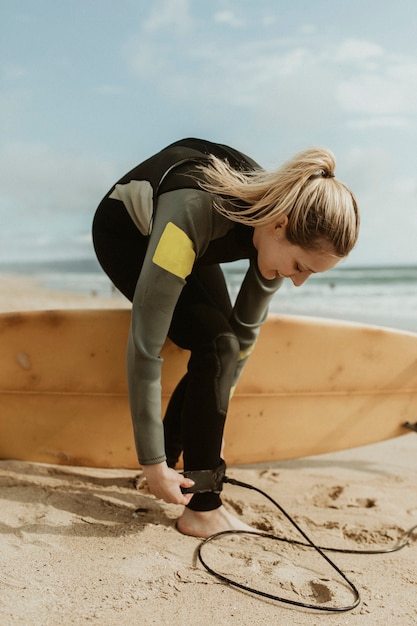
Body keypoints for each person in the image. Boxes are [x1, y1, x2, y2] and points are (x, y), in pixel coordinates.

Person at [92, 137, 359, 538]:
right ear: (279, 225)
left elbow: (247, 330)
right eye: (300, 266)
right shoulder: (193, 214)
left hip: (192, 241)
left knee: (225, 346)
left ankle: (179, 462)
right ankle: (201, 510)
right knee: (217, 344)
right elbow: (146, 345)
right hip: (130, 235)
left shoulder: (275, 221)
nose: (299, 281)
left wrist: (211, 424)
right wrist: (151, 462)